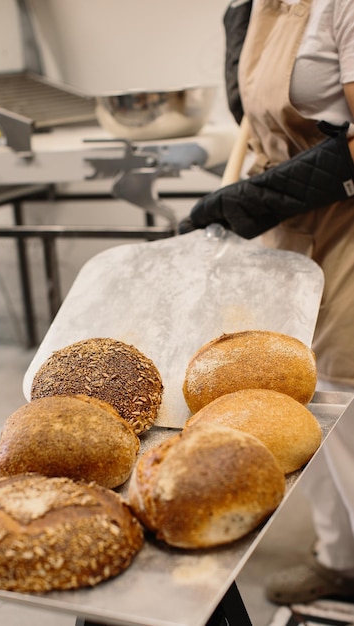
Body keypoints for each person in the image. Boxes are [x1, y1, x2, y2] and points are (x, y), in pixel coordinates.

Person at [179, 0, 354, 606]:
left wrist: (261, 198)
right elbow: (257, 124)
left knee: (347, 397)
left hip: (347, 219)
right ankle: (339, 562)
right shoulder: (252, 6)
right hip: (288, 222)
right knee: (299, 398)